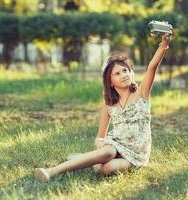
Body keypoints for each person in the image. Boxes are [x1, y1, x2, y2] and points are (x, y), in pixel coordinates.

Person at [34, 33, 171, 182]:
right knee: (108, 153)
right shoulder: (109, 104)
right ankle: (51, 171)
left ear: (131, 73)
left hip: (137, 153)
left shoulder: (141, 93)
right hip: (115, 145)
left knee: (105, 168)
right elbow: (100, 136)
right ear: (110, 82)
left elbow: (152, 67)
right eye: (117, 74)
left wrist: (163, 45)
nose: (123, 75)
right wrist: (101, 144)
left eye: (125, 70)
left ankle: (83, 158)